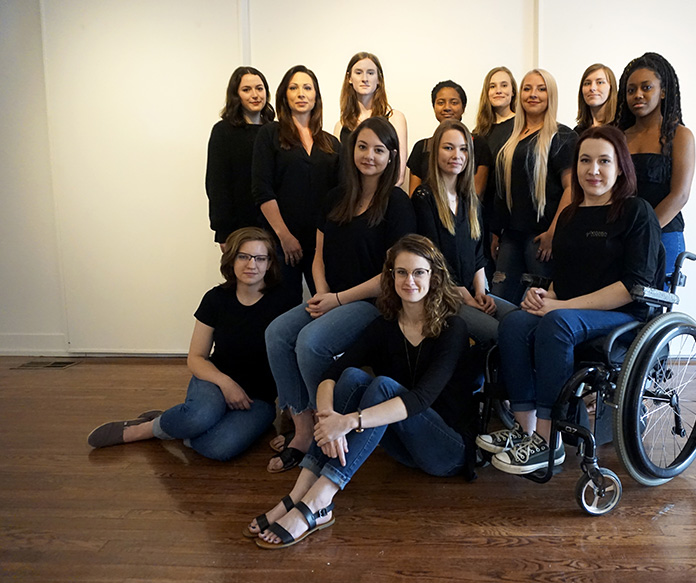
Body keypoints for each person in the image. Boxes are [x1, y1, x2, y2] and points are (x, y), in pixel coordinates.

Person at [247, 234, 478, 549]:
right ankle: (298, 493)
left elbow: (420, 399)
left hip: (446, 451)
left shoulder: (453, 329)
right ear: (391, 276)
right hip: (404, 447)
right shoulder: (385, 326)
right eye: (401, 272)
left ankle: (321, 498)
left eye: (419, 272)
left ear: (434, 277)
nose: (409, 280)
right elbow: (332, 373)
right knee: (354, 376)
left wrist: (350, 422)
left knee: (382, 386)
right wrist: (328, 419)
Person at [477, 126, 663, 475]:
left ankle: (550, 440)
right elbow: (564, 283)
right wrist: (546, 295)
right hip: (573, 311)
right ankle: (525, 429)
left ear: (621, 167)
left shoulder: (636, 212)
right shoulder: (569, 216)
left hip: (624, 315)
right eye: (585, 161)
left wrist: (559, 307)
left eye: (604, 161)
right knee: (516, 321)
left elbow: (631, 287)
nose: (593, 170)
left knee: (556, 324)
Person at [264, 116, 415, 473]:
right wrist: (322, 293)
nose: (369, 156)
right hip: (330, 296)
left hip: (372, 302)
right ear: (352, 150)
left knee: (311, 343)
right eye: (362, 147)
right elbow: (319, 256)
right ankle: (303, 430)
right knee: (277, 334)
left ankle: (328, 427)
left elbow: (393, 274)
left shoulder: (397, 202)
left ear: (391, 156)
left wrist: (338, 300)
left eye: (379, 149)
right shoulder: (335, 197)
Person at [86, 228, 294, 460]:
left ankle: (182, 424)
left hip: (258, 398)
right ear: (231, 259)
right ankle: (146, 428)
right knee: (198, 417)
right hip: (214, 380)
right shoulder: (215, 299)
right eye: (243, 256)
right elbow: (196, 357)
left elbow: (291, 362)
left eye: (260, 258)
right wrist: (226, 384)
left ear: (269, 264)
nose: (251, 264)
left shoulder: (284, 302)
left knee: (218, 448)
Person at [412, 119, 516, 344]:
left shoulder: (471, 200)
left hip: (471, 292)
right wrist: (468, 299)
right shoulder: (424, 197)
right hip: (443, 295)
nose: (456, 155)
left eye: (463, 149)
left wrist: (481, 293)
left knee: (521, 322)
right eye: (448, 147)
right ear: (436, 152)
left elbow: (478, 254)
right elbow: (433, 260)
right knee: (504, 335)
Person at [252, 65, 341, 307]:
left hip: (322, 244)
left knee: (325, 307)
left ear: (316, 96)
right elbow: (262, 189)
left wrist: (325, 243)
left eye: (307, 88)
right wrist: (285, 236)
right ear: (284, 95)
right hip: (281, 241)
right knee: (282, 307)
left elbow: (339, 194)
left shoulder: (331, 143)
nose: (301, 93)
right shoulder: (270, 134)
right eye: (294, 87)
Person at [491, 69, 577, 305]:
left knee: (538, 304)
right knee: (499, 302)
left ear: (551, 95)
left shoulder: (564, 137)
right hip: (511, 236)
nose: (533, 94)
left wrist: (553, 233)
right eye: (527, 88)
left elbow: (572, 189)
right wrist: (496, 233)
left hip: (541, 239)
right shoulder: (511, 139)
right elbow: (504, 190)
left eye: (541, 89)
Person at [616, 52, 695, 277]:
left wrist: (643, 233)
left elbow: (679, 195)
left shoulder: (681, 136)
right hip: (621, 235)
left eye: (646, 87)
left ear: (663, 92)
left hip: (663, 235)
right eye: (631, 90)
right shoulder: (619, 137)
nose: (638, 95)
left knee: (647, 304)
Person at [206, 67, 276, 251]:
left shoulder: (277, 130)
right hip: (239, 226)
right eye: (247, 90)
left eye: (259, 89)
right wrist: (223, 230)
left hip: (275, 225)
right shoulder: (223, 131)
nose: (255, 95)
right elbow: (217, 184)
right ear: (236, 95)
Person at [406, 80, 491, 198]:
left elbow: (476, 194)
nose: (447, 108)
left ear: (463, 107)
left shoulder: (477, 144)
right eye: (441, 103)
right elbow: (414, 196)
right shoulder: (421, 147)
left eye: (454, 102)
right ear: (434, 107)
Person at [334, 52, 408, 185]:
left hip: (384, 199)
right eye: (358, 72)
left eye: (370, 73)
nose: (365, 78)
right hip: (349, 199)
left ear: (379, 79)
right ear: (349, 78)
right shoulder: (341, 125)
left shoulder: (395, 118)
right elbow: (339, 172)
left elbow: (399, 176)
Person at [473, 66, 518, 281]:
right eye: (492, 86)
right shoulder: (478, 133)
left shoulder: (522, 126)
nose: (498, 90)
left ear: (513, 92)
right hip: (482, 213)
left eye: (504, 85)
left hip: (510, 215)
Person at [573, 63, 618, 134]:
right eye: (587, 83)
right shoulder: (578, 132)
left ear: (611, 87)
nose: (592, 88)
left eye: (600, 82)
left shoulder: (622, 126)